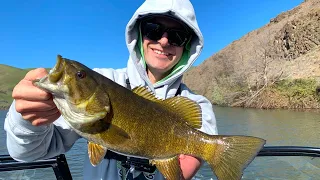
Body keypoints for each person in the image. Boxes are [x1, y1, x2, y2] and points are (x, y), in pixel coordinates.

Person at [4, 0, 217, 179]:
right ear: (139, 33)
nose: (163, 41)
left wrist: (202, 155)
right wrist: (27, 120)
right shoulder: (105, 80)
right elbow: (28, 153)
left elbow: (193, 158)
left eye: (177, 36)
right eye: (154, 29)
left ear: (188, 46)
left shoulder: (197, 104)